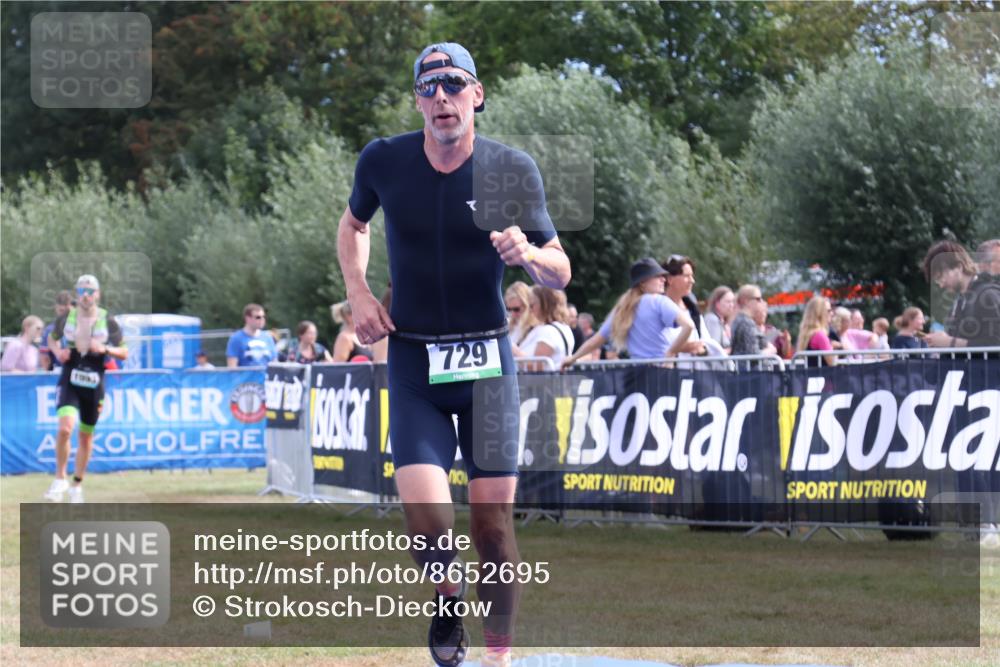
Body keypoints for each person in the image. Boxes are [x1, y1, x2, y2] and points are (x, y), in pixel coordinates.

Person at [336, 42, 570, 667]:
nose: (442, 97)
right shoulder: (383, 160)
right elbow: (353, 225)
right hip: (414, 362)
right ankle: (446, 596)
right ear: (417, 99)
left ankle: (497, 656)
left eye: (454, 84)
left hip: (489, 367)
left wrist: (529, 255)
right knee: (428, 518)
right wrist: (358, 292)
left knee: (492, 530)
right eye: (429, 86)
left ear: (478, 94)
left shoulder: (511, 169)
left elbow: (561, 272)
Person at [43, 275, 128, 503]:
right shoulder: (67, 318)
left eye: (91, 291)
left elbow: (125, 351)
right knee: (65, 429)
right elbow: (50, 339)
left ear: (98, 294)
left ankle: (77, 484)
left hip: (94, 380)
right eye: (82, 291)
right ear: (77, 294)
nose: (87, 295)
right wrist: (57, 352)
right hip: (70, 376)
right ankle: (60, 478)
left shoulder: (107, 321)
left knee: (85, 436)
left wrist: (105, 349)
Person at [563, 258, 693, 367]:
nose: (663, 280)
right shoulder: (658, 301)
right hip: (662, 372)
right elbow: (689, 326)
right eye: (658, 276)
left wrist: (573, 358)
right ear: (643, 282)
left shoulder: (623, 308)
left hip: (636, 374)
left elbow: (596, 341)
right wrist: (670, 353)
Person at [922, 240, 1000, 350]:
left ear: (959, 267)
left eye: (940, 277)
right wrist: (940, 341)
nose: (941, 285)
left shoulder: (988, 295)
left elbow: (995, 344)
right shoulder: (959, 302)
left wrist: (949, 342)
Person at [513, 286, 574, 369]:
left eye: (532, 305)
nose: (530, 310)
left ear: (544, 304)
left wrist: (511, 348)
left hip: (543, 381)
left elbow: (537, 366)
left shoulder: (548, 331)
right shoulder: (565, 328)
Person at [729, 285, 775, 357]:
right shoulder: (747, 323)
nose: (761, 302)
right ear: (746, 301)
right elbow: (753, 355)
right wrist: (770, 350)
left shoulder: (739, 319)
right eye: (758, 299)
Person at [797, 296, 837, 367]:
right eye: (829, 310)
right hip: (824, 376)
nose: (832, 313)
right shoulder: (820, 335)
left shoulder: (807, 334)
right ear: (820, 313)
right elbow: (832, 362)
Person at [39, 290, 73, 371]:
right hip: (58, 374)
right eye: (60, 304)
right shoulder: (49, 330)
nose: (62, 307)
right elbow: (44, 358)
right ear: (56, 307)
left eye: (65, 304)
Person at [504, 281, 538, 346]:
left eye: (516, 309)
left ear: (528, 305)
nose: (512, 314)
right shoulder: (508, 326)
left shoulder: (538, 328)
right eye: (509, 309)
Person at [704, 286, 736, 352]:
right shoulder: (712, 320)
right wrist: (731, 350)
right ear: (717, 303)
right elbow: (714, 350)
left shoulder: (723, 321)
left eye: (732, 301)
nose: (731, 305)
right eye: (728, 302)